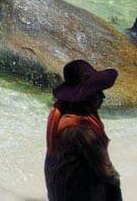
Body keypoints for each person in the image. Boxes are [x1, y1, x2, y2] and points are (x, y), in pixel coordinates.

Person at [45, 59, 122, 201]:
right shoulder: (79, 128)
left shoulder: (62, 114)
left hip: (60, 193)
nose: (103, 96)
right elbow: (107, 173)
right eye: (98, 92)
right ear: (85, 97)